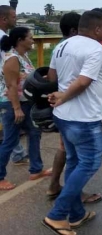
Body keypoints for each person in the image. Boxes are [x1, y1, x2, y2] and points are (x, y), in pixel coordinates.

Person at [43, 11, 102, 234]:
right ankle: (57, 215)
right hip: (84, 116)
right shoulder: (95, 48)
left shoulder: (62, 45)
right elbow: (83, 82)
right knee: (90, 162)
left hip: (63, 115)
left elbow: (52, 77)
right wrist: (63, 95)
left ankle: (77, 214)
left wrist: (60, 95)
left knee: (74, 161)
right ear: (97, 29)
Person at [0, 27, 51, 191]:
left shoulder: (24, 56)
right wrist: (16, 109)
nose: (33, 40)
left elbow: (26, 77)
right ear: (20, 40)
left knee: (35, 133)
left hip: (26, 102)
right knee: (10, 140)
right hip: (13, 104)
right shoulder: (12, 59)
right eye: (30, 37)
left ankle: (36, 169)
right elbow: (11, 85)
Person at [0, 5, 27, 166]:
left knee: (9, 124)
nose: (15, 20)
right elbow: (8, 63)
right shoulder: (3, 39)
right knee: (11, 121)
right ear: (4, 19)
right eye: (14, 17)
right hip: (5, 86)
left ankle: (18, 153)